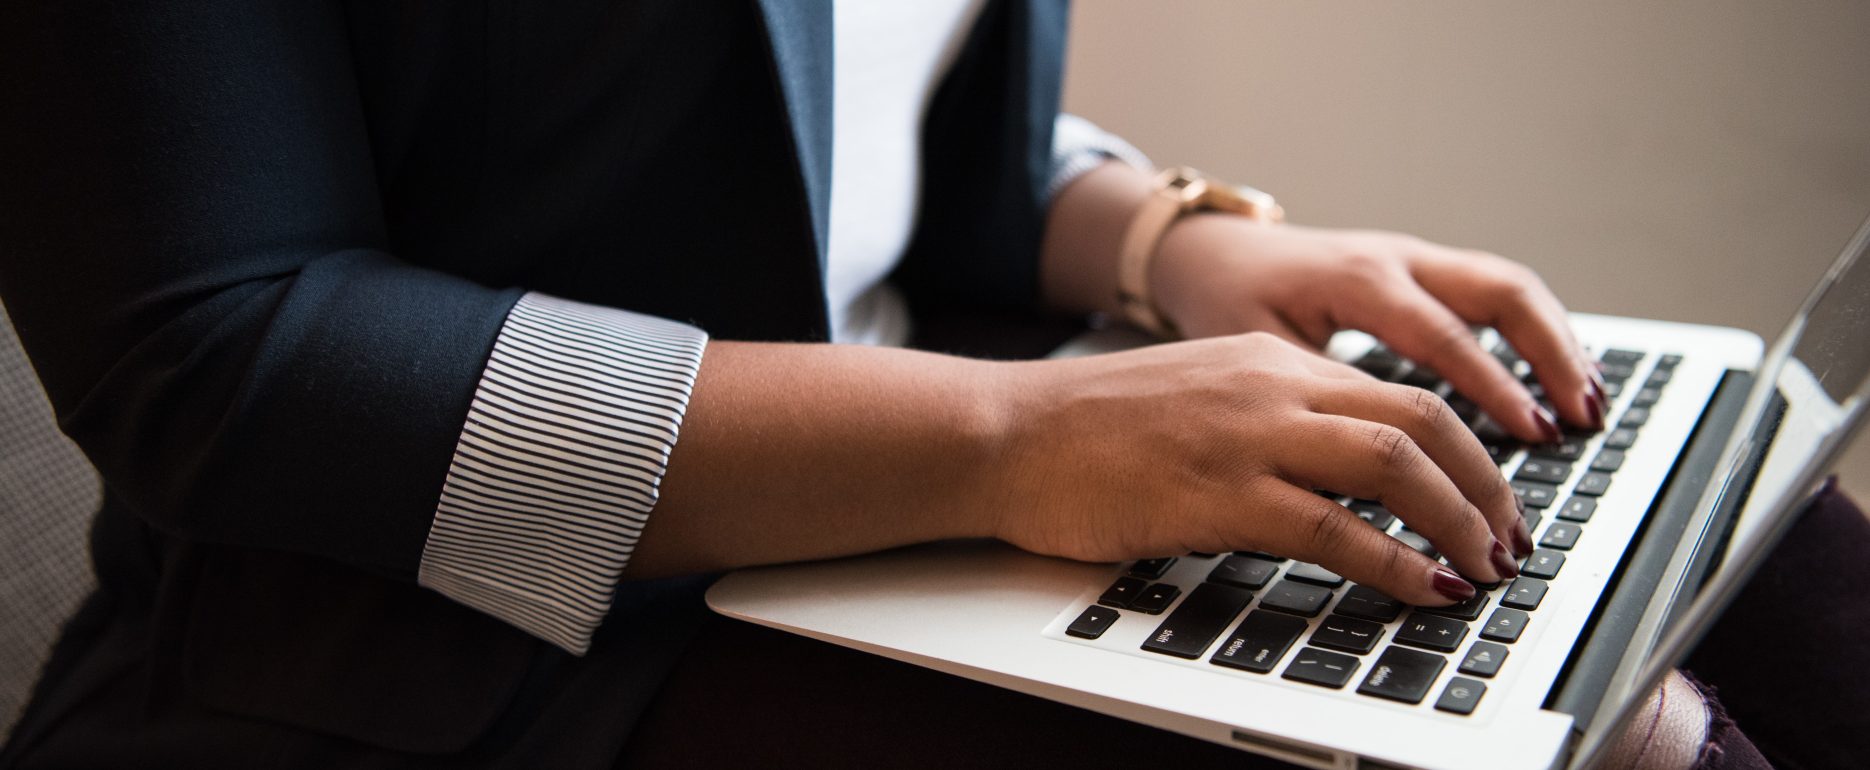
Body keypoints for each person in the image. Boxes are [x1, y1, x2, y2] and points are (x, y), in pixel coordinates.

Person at [0, 2, 1861, 768]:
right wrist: (1017, 436)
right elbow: (213, 345)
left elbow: (831, 124)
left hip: (947, 493)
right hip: (442, 654)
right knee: (1603, 731)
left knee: (1748, 545)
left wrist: (1172, 242)